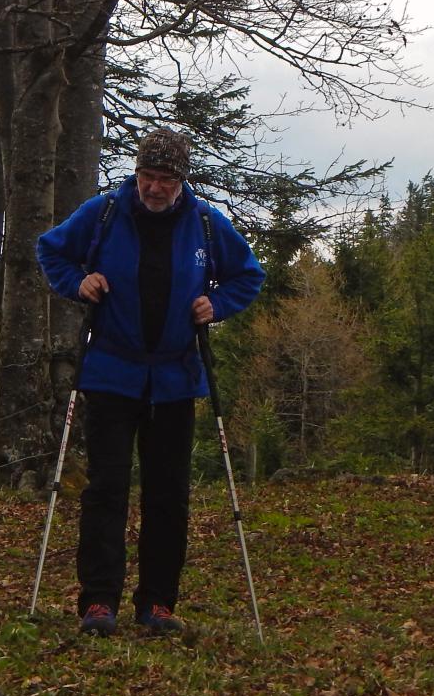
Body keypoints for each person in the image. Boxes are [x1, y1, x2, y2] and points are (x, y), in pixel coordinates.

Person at [37, 127, 264, 636]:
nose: (154, 187)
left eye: (166, 178)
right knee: (106, 489)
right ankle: (99, 602)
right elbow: (52, 251)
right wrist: (78, 282)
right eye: (147, 175)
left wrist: (217, 304)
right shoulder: (103, 213)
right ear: (135, 173)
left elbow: (248, 275)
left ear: (181, 181)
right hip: (111, 374)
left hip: (176, 379)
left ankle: (158, 602)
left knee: (168, 494)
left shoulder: (205, 224)